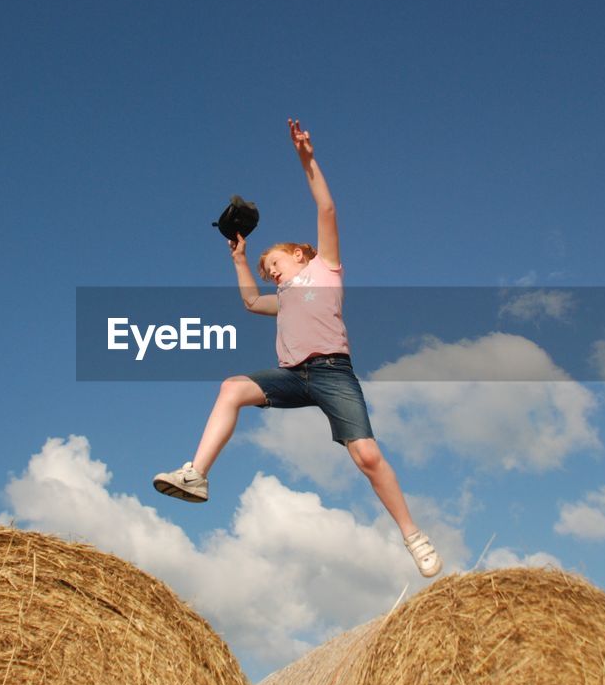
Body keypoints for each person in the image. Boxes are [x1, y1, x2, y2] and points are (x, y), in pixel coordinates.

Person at [153, 119, 442, 577]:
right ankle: (196, 474)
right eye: (268, 270)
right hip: (292, 377)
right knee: (232, 387)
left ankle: (413, 534)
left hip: (332, 372)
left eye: (274, 263)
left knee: (366, 456)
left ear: (301, 254)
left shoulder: (325, 270)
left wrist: (306, 156)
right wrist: (241, 260)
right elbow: (250, 301)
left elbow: (326, 207)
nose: (271, 273)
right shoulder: (284, 298)